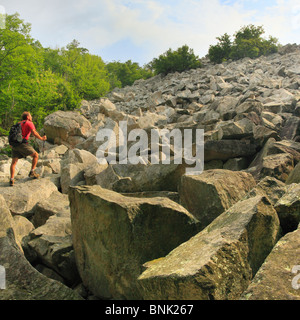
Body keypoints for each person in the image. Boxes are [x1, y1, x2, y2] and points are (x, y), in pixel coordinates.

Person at [10, 111, 47, 186]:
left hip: (15, 144)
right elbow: (34, 132)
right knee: (36, 155)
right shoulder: (29, 123)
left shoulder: (18, 123)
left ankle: (11, 179)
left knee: (14, 162)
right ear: (27, 117)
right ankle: (32, 172)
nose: (31, 117)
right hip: (22, 143)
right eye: (30, 116)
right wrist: (41, 138)